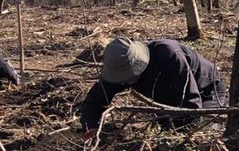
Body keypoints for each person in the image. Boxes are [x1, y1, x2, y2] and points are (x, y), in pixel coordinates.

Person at [81, 37, 226, 137]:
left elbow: (191, 102)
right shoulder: (118, 65)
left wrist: (178, 133)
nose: (127, 82)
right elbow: (96, 100)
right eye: (123, 78)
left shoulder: (168, 54)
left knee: (200, 130)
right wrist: (91, 125)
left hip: (206, 90)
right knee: (165, 126)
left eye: (131, 75)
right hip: (166, 97)